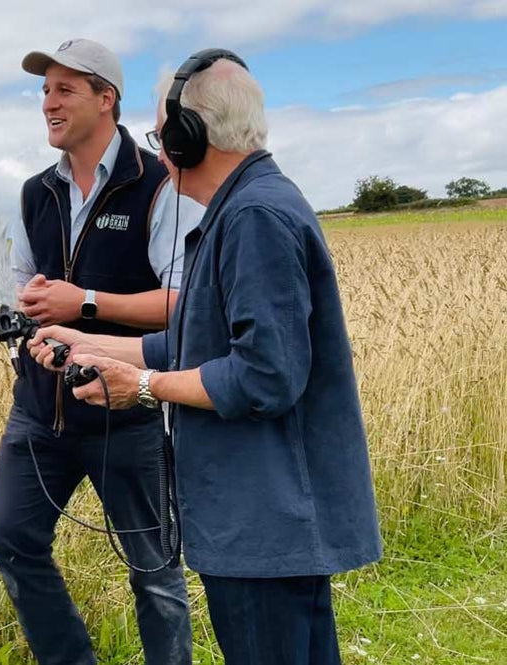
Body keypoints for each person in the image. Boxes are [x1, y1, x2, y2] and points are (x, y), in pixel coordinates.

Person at [29, 50, 383, 665]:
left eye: (162, 135)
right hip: (262, 521)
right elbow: (202, 342)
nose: (161, 151)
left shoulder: (253, 217)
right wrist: (87, 344)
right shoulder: (247, 207)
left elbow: (264, 376)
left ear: (190, 137)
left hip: (264, 522)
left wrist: (141, 387)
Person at [0, 38, 202, 665]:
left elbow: (185, 300)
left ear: (107, 100)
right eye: (44, 91)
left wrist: (84, 304)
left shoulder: (159, 183)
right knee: (12, 539)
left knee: (153, 569)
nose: (48, 103)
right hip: (39, 413)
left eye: (63, 90)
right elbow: (23, 293)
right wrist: (31, 331)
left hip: (127, 408)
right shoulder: (35, 193)